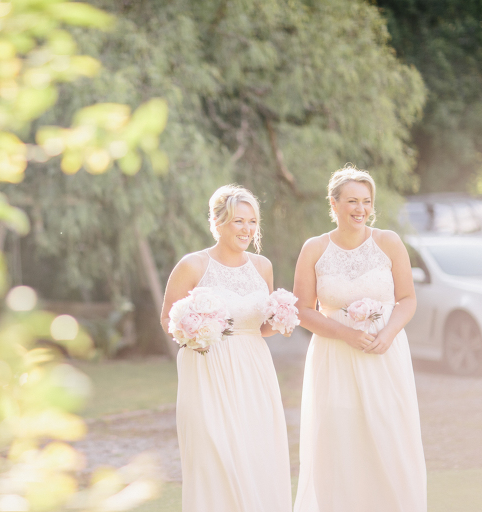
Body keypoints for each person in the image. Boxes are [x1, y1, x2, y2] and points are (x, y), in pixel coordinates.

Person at [292, 165, 426, 512]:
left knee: (389, 436)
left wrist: (390, 333)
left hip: (385, 356)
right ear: (333, 203)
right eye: (352, 200)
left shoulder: (389, 242)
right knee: (341, 440)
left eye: (366, 201)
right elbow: (303, 310)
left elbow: (408, 299)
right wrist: (345, 334)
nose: (361, 209)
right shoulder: (314, 249)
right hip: (334, 358)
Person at [161, 185, 291, 512]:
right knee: (214, 453)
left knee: (255, 451)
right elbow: (168, 318)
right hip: (207, 369)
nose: (247, 229)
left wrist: (281, 318)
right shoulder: (192, 266)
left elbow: (261, 327)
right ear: (217, 223)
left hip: (254, 369)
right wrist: (196, 334)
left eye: (252, 222)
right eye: (238, 221)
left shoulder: (262, 267)